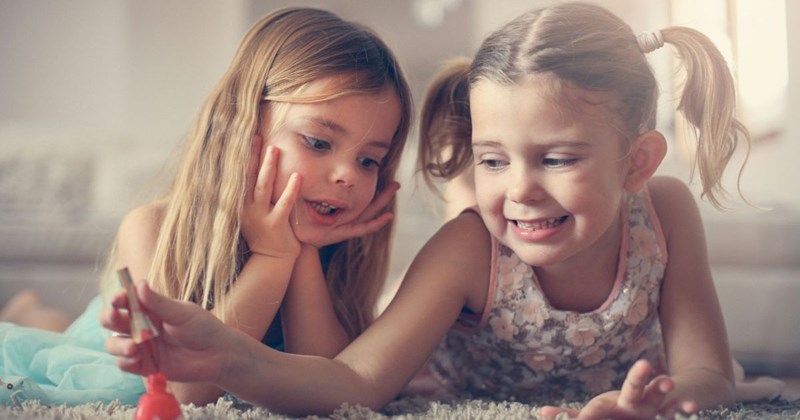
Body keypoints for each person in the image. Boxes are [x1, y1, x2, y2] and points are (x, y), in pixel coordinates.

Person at [102, 2, 770, 417]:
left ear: (638, 162)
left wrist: (659, 407)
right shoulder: (469, 246)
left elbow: (708, 373)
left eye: (557, 158)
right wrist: (231, 357)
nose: (521, 190)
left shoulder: (665, 211)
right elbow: (355, 380)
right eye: (493, 160)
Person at [1, 6, 412, 407]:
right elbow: (186, 391)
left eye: (368, 160)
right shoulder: (150, 225)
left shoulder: (336, 251)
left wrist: (302, 249)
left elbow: (332, 391)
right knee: (55, 336)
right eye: (318, 142)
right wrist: (274, 255)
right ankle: (28, 309)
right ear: (243, 127)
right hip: (104, 348)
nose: (347, 175)